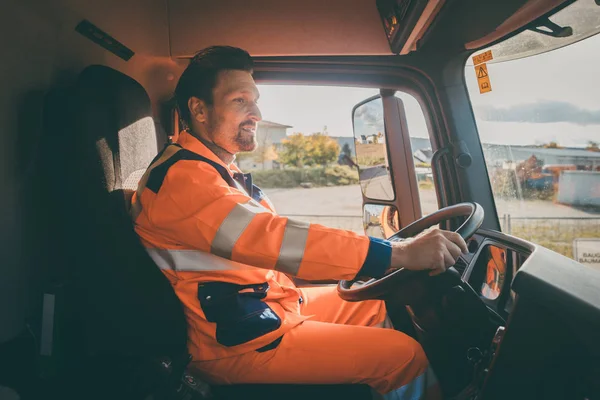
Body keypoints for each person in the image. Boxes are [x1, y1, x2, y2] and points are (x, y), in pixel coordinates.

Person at [130, 46, 468, 399]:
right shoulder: (185, 179)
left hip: (261, 307)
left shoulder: (210, 169)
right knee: (405, 356)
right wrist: (397, 254)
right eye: (239, 101)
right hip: (232, 341)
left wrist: (388, 254)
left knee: (375, 303)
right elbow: (273, 238)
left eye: (255, 100)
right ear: (199, 109)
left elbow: (272, 238)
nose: (256, 113)